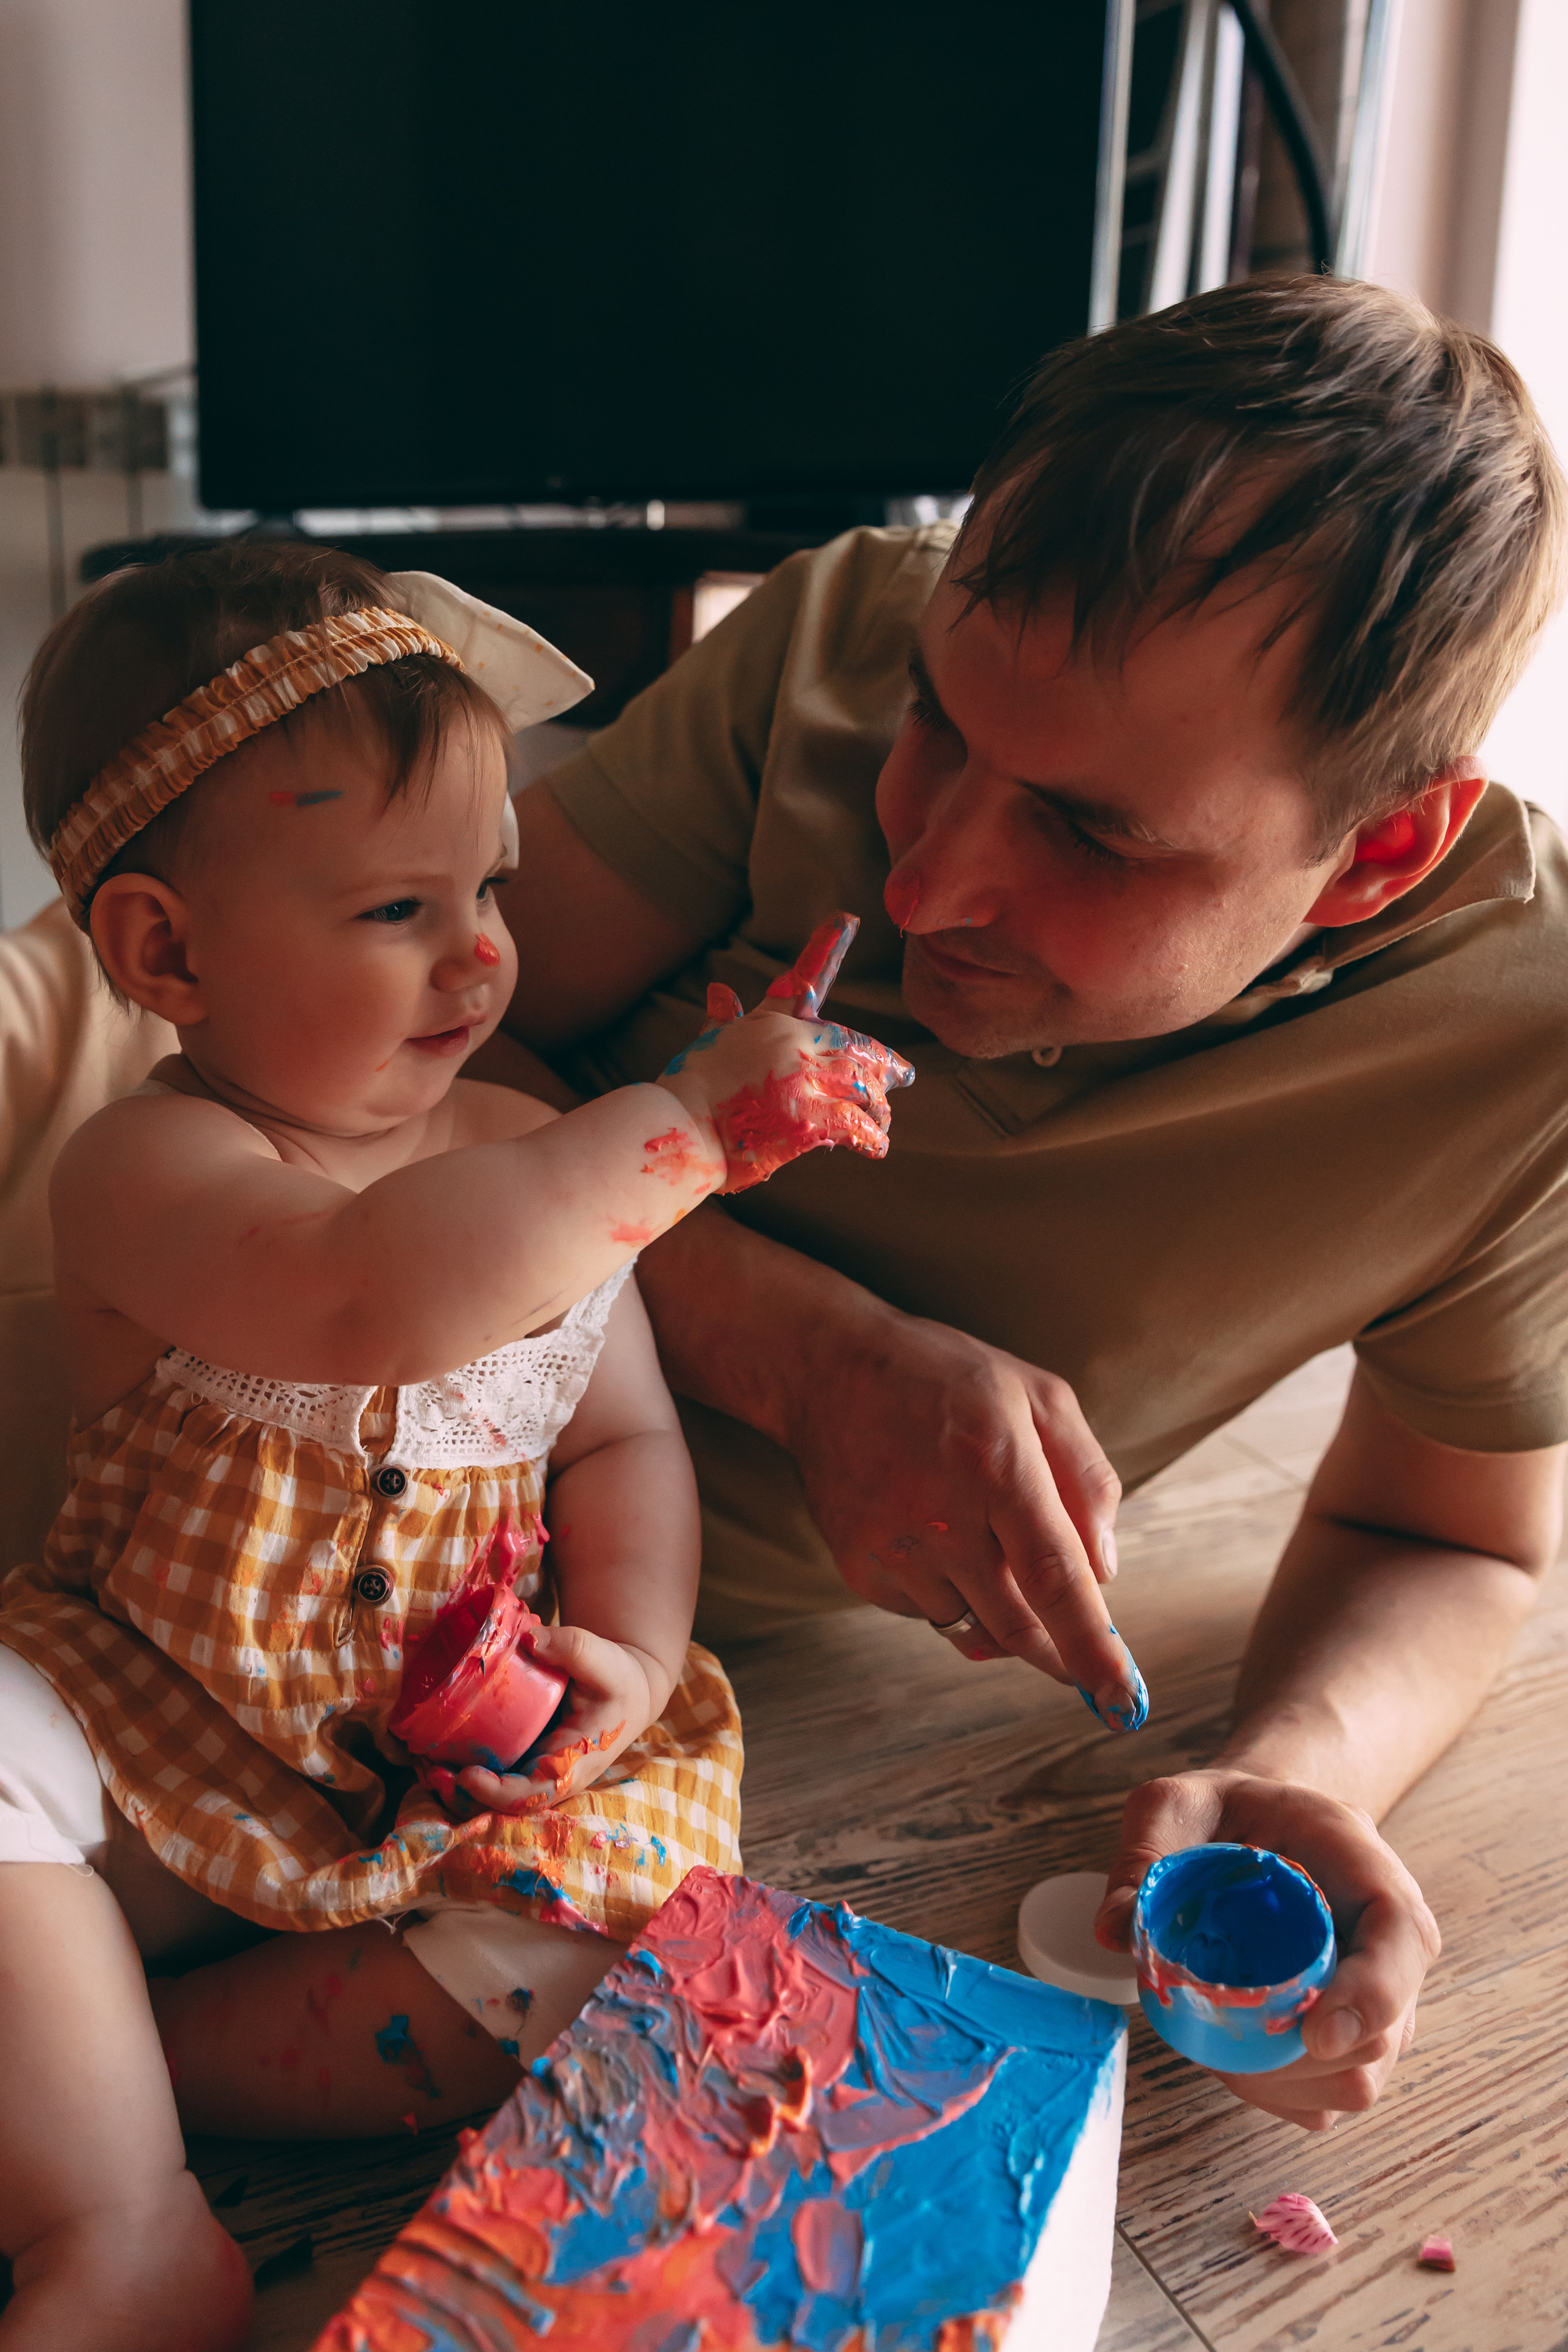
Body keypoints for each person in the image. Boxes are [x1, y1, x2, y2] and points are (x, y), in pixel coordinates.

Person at [488, 277, 1568, 2136]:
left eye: (1089, 833)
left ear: (1379, 852)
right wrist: (811, 1360)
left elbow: (1455, 1534)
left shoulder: (1526, 1047)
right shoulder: (826, 627)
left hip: (629, 1698)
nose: (925, 874)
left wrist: (1300, 1766)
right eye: (932, 720)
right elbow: (393, 1085)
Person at [0, 541, 926, 2352]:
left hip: (448, 1789)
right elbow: (368, 1299)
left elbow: (625, 1445)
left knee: (608, 1959)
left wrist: (635, 1659)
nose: (486, 950)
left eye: (491, 881)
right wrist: (683, 1135)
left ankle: (99, 2070)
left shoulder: (522, 1137)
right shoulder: (154, 1169)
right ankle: (121, 2218)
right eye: (394, 911)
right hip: (155, 1741)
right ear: (162, 951)